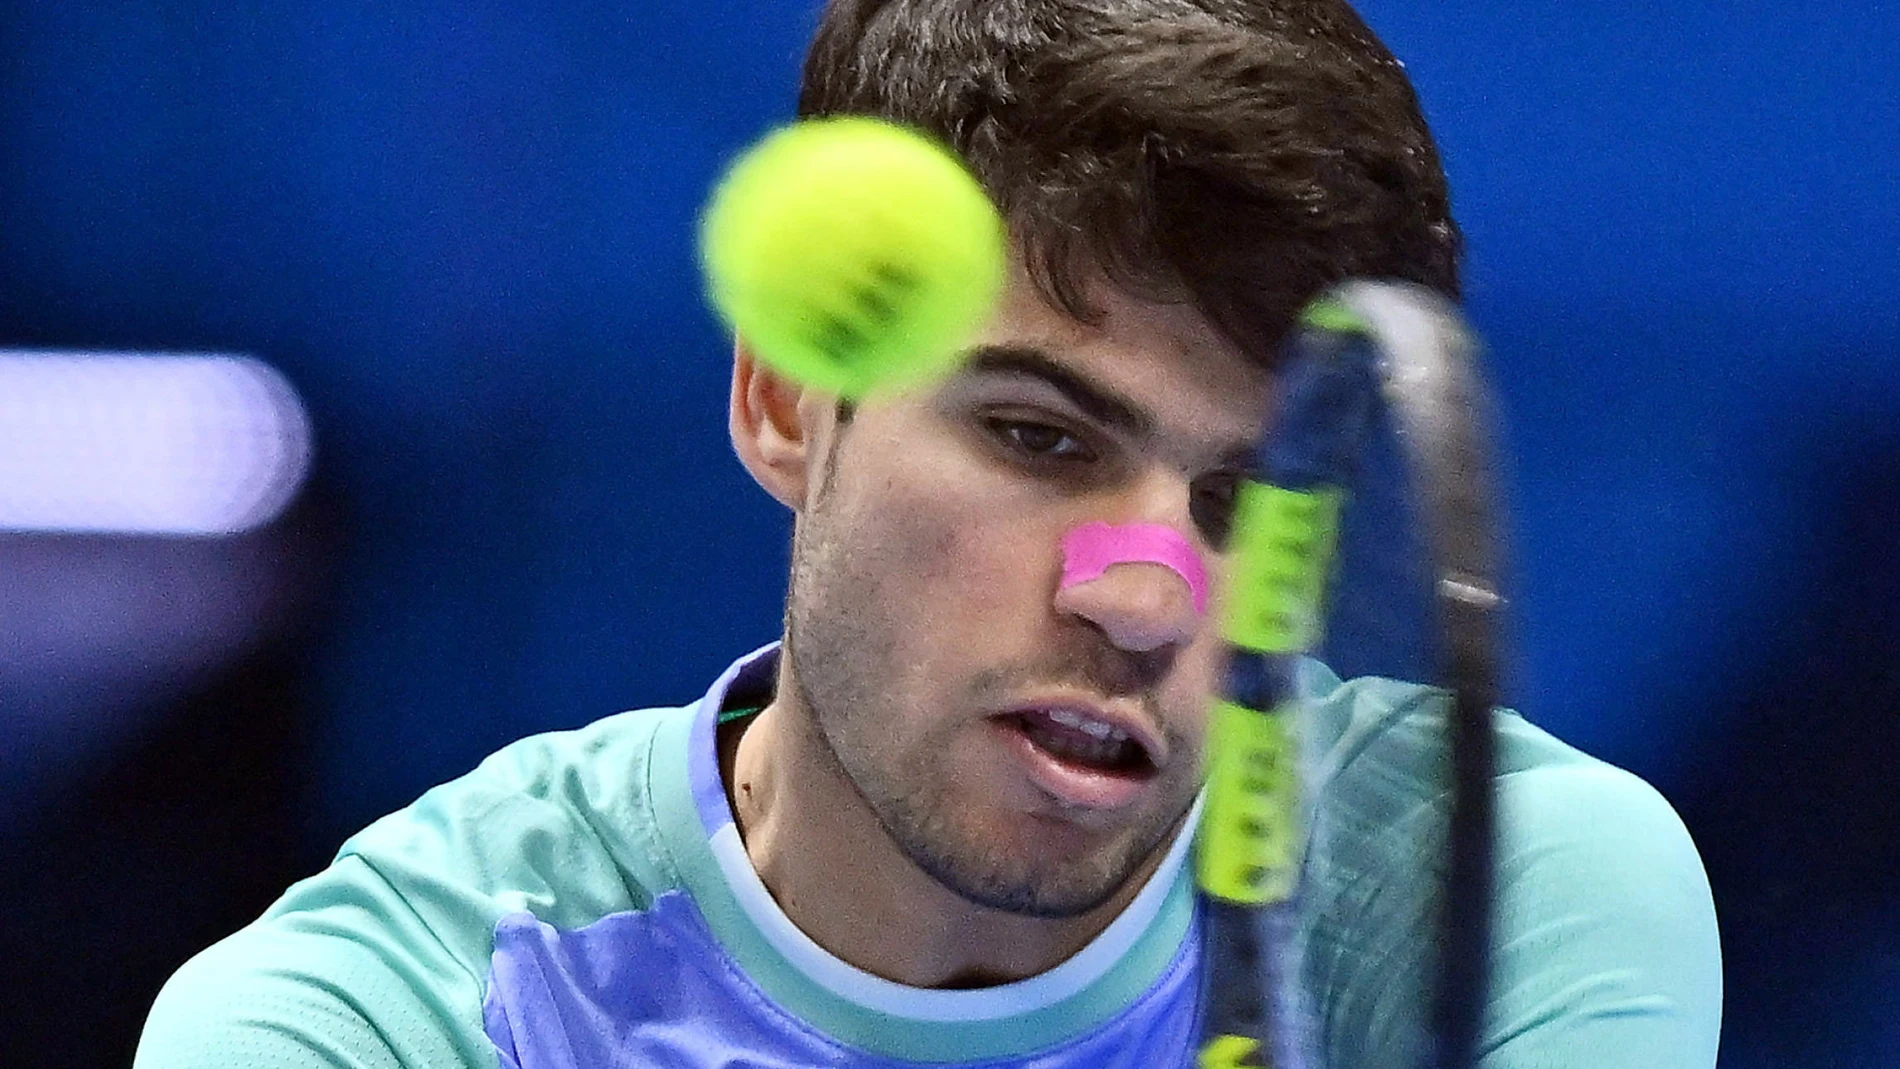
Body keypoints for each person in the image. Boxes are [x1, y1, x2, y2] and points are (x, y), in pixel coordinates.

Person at [135, 1, 1723, 1066]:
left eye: (1247, 503)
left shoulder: (1494, 903)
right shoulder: (405, 1017)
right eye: (1040, 436)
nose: (1148, 596)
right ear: (784, 400)